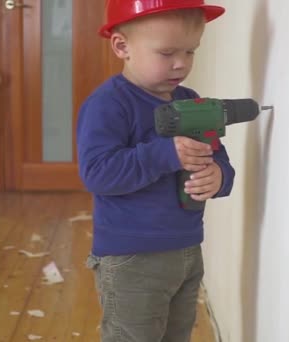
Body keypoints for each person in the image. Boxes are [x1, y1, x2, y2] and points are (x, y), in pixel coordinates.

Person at [77, 1, 234, 341]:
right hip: (131, 258)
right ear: (122, 46)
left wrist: (219, 177)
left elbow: (218, 158)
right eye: (167, 53)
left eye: (190, 51)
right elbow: (98, 173)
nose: (181, 63)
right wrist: (166, 153)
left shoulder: (191, 102)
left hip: (187, 251)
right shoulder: (108, 104)